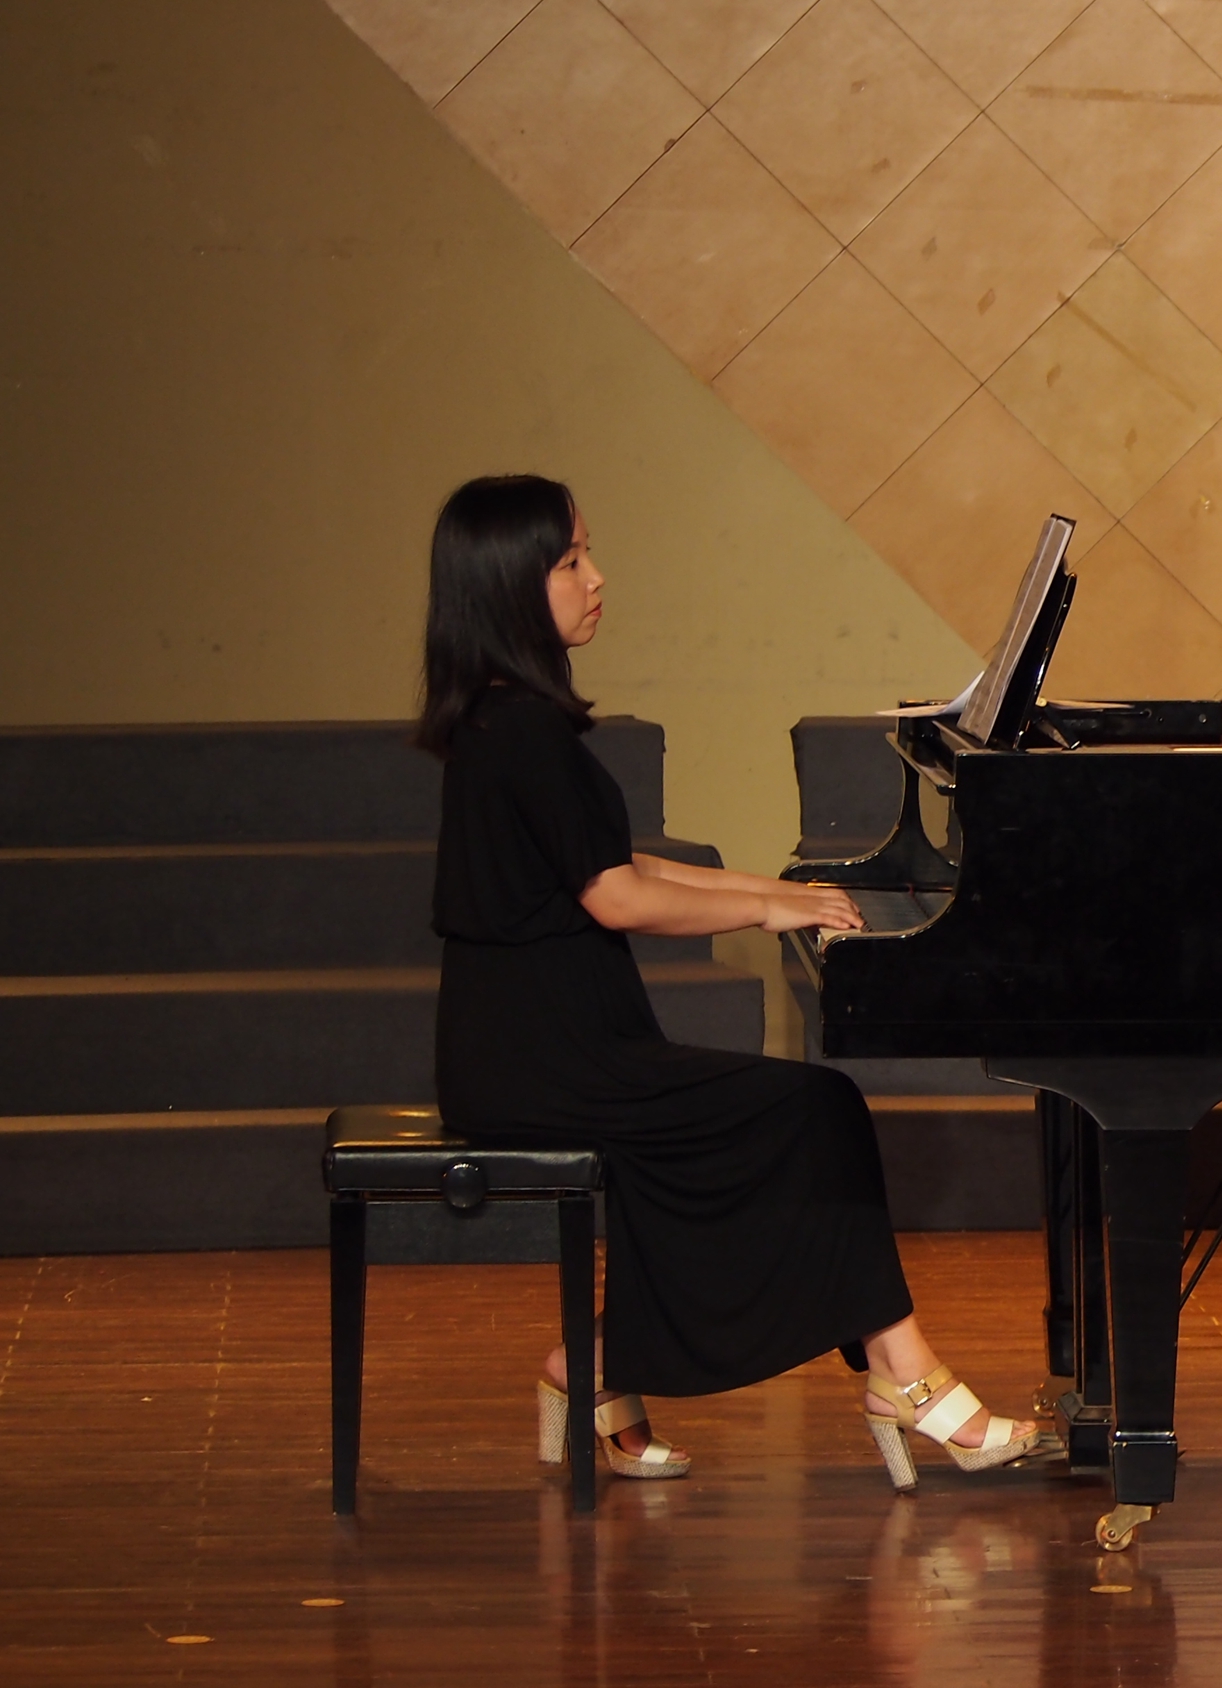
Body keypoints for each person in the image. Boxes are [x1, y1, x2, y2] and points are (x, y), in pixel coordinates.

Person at [418, 474, 1042, 1491]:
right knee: (813, 1110)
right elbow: (617, 896)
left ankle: (604, 1366)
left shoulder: (504, 721)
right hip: (547, 1059)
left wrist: (775, 891)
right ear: (505, 586)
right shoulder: (521, 732)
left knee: (797, 1116)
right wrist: (766, 910)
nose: (596, 577)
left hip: (540, 1045)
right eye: (570, 561)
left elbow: (622, 862)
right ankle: (903, 1375)